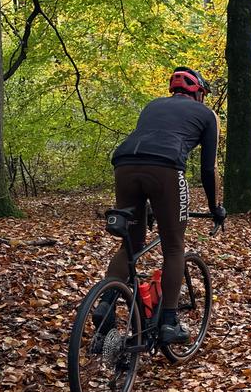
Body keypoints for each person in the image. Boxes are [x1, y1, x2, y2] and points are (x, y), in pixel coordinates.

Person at [93, 67, 225, 346]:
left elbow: (150, 144)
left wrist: (150, 205)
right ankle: (168, 322)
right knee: (174, 247)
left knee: (132, 240)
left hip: (125, 163)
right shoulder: (206, 115)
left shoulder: (152, 106)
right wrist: (215, 207)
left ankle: (104, 303)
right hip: (165, 168)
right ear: (199, 92)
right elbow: (208, 169)